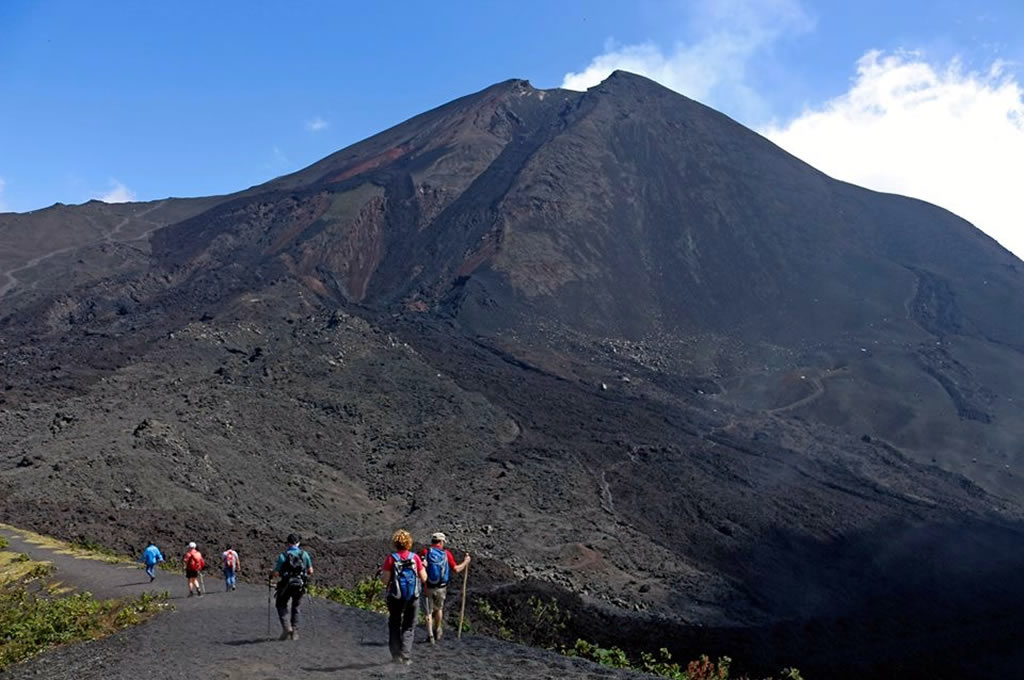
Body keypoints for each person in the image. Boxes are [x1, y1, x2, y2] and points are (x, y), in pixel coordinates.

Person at [380, 528, 426, 664]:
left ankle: (395, 655)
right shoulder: (415, 558)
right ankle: (405, 656)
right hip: (413, 597)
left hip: (395, 597)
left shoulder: (391, 559)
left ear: (395, 543)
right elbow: (424, 578)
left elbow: (385, 580)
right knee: (409, 626)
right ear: (409, 543)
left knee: (394, 624)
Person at [418, 531, 470, 643]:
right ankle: (438, 629)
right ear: (441, 542)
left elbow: (418, 566)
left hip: (427, 587)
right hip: (441, 587)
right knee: (439, 609)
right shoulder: (446, 554)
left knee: (428, 612)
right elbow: (456, 569)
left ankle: (430, 635)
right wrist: (466, 562)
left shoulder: (425, 552)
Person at [270, 533, 313, 640]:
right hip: (299, 585)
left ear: (288, 543)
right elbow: (310, 571)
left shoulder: (283, 556)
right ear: (298, 543)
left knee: (281, 604)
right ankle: (295, 632)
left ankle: (286, 627)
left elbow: (276, 573)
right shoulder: (304, 555)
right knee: (296, 606)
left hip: (285, 585)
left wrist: (272, 573)